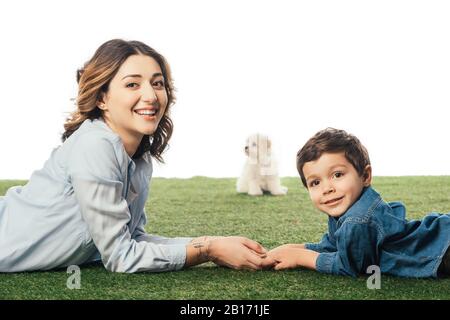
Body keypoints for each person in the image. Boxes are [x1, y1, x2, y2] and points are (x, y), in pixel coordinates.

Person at [0, 39, 275, 273]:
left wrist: (213, 242)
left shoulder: (139, 155)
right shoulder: (95, 146)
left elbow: (133, 238)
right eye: (132, 85)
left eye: (158, 84)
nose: (151, 96)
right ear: (102, 98)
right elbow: (121, 257)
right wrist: (208, 250)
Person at [265, 128, 450, 278]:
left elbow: (350, 266)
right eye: (315, 182)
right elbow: (334, 246)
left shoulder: (358, 220)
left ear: (365, 176)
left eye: (337, 175)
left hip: (443, 252)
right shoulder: (345, 209)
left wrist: (299, 256)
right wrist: (289, 248)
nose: (327, 188)